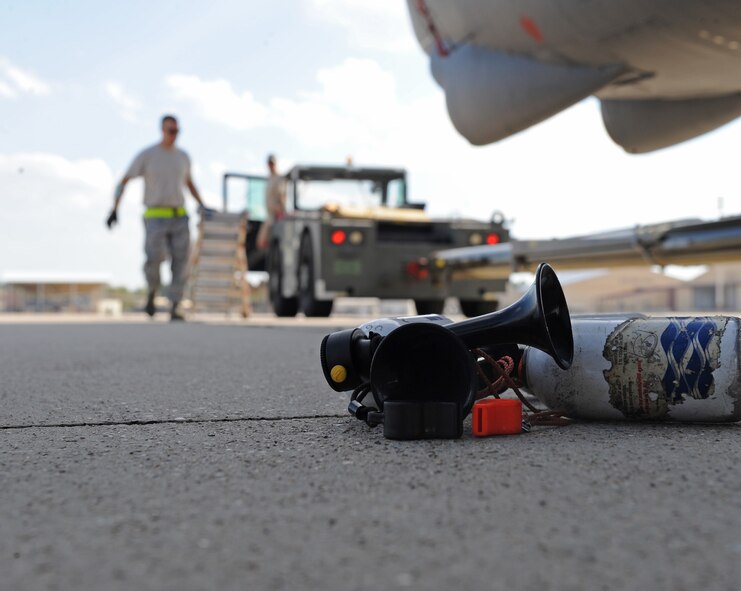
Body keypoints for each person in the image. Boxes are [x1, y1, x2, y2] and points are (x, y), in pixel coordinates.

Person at [106, 114, 206, 321]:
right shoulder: (148, 155)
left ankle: (175, 304)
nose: (174, 135)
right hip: (155, 217)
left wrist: (203, 205)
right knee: (154, 260)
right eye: (171, 131)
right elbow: (123, 181)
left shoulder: (183, 157)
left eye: (177, 131)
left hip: (179, 216)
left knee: (181, 262)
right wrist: (114, 208)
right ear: (162, 130)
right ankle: (152, 292)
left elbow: (189, 183)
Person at [256, 154, 287, 250]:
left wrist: (281, 212)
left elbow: (282, 196)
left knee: (265, 241)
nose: (271, 166)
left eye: (272, 163)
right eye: (269, 163)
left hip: (277, 216)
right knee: (261, 242)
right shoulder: (269, 178)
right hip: (269, 215)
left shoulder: (279, 178)